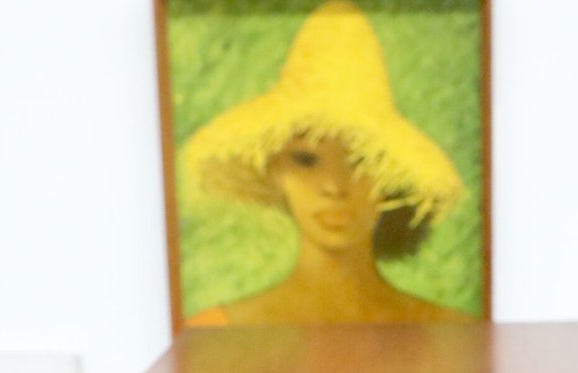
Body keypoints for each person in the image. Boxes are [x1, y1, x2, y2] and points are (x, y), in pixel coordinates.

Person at [180, 0, 473, 327]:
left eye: (362, 160)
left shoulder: (453, 333)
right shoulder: (215, 331)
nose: (334, 187)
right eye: (306, 160)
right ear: (273, 170)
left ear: (392, 177)